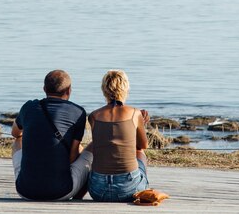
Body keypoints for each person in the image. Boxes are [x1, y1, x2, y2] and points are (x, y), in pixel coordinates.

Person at [11, 69, 92, 200]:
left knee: (18, 141)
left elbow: (15, 133)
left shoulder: (28, 107)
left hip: (25, 191)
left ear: (44, 88)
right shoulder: (78, 112)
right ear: (69, 90)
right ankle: (77, 196)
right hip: (61, 192)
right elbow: (72, 157)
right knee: (91, 148)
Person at [87, 69, 149, 202]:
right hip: (129, 190)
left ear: (104, 89)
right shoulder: (134, 113)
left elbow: (101, 141)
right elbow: (143, 145)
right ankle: (141, 184)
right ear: (126, 88)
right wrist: (140, 125)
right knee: (139, 152)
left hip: (98, 190)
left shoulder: (93, 116)